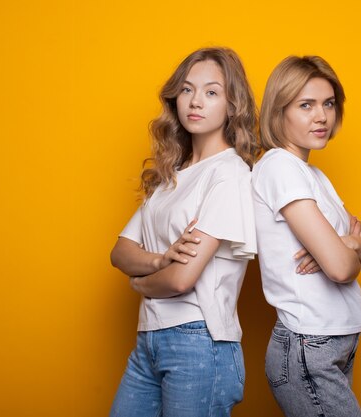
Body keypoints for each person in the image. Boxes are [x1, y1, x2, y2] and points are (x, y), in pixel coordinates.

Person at [109, 47, 258, 417]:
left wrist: (141, 282)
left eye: (211, 92)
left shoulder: (229, 174)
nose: (195, 101)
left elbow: (181, 280)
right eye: (188, 90)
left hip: (199, 342)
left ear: (231, 104)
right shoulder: (171, 176)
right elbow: (120, 251)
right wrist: (159, 258)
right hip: (149, 339)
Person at [252, 55, 361, 416]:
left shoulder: (314, 177)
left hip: (334, 340)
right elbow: (343, 270)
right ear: (279, 111)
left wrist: (347, 243)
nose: (322, 116)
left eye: (328, 103)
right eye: (305, 105)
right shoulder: (280, 167)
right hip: (309, 342)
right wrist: (342, 249)